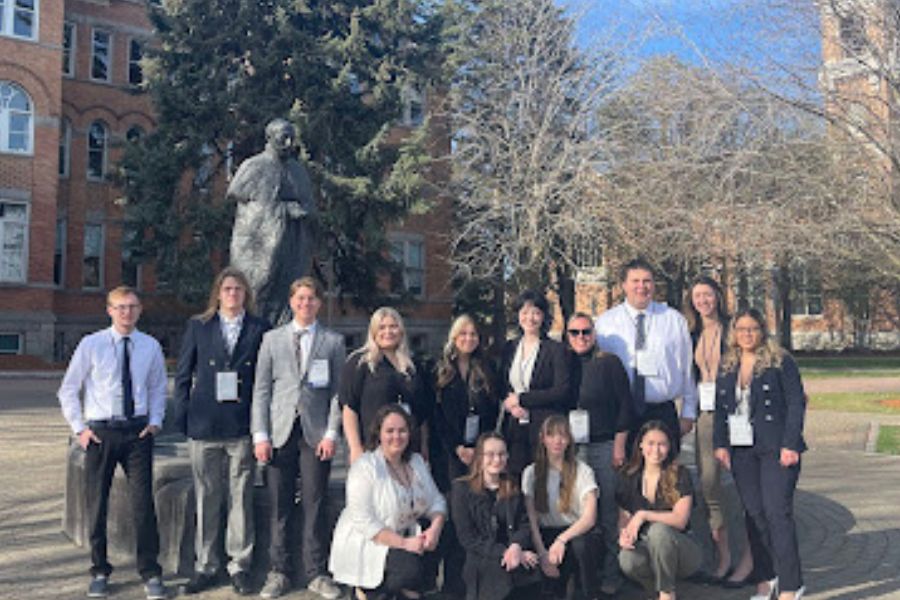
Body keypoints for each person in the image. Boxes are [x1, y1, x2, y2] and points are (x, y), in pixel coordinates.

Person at [57, 286, 168, 600]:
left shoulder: (150, 346)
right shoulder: (91, 345)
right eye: (120, 307)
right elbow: (68, 389)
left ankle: (150, 571)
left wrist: (156, 421)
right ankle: (100, 570)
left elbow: (159, 387)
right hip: (101, 433)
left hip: (137, 434)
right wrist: (80, 429)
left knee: (143, 504)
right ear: (109, 310)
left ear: (140, 309)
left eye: (132, 307)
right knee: (97, 505)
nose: (126, 313)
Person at [174, 267, 271, 595]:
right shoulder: (198, 326)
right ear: (218, 293)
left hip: (241, 423)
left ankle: (239, 565)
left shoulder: (260, 328)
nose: (232, 294)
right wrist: (183, 419)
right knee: (207, 495)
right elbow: (183, 375)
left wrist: (261, 427)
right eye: (227, 289)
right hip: (204, 423)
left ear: (246, 295)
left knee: (240, 496)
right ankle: (206, 565)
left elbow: (264, 380)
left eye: (239, 289)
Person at [251, 277, 346, 599]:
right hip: (278, 434)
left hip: (316, 435)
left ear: (320, 303)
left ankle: (316, 572)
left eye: (312, 299)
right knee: (278, 505)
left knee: (314, 504)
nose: (306, 304)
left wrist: (332, 433)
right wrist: (260, 435)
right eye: (301, 298)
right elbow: (261, 391)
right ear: (292, 302)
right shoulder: (271, 340)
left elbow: (337, 393)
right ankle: (278, 571)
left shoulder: (332, 342)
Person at [714, 308, 807, 600]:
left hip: (777, 448)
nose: (747, 334)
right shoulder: (728, 364)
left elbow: (795, 404)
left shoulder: (781, 362)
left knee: (777, 514)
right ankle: (766, 577)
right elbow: (720, 409)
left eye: (752, 328)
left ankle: (791, 585)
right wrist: (720, 444)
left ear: (762, 330)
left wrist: (790, 444)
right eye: (741, 329)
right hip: (743, 451)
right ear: (734, 333)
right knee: (754, 515)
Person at [329, 404, 446, 600]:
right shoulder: (365, 467)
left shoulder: (416, 462)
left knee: (443, 539)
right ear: (379, 434)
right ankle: (369, 591)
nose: (396, 436)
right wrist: (404, 544)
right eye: (390, 431)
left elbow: (437, 501)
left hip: (405, 535)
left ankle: (404, 591)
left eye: (402, 431)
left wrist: (435, 529)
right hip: (369, 541)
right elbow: (364, 522)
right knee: (411, 569)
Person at [684, 277, 753, 586]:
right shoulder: (692, 332)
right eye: (697, 296)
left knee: (743, 487)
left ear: (717, 297)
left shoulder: (734, 328)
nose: (703, 301)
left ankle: (750, 560)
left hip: (737, 414)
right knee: (709, 485)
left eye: (708, 295)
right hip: (706, 417)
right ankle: (723, 557)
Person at [594, 258, 698, 457]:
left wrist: (688, 412)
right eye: (635, 281)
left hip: (663, 411)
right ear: (624, 285)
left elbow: (686, 368)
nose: (641, 287)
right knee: (627, 477)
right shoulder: (606, 323)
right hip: (623, 414)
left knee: (666, 479)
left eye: (647, 281)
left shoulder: (673, 320)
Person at [565, 311, 632, 596]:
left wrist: (619, 445)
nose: (581, 338)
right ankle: (581, 575)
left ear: (594, 334)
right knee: (577, 512)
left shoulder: (609, 364)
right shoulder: (562, 364)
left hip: (604, 445)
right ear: (566, 335)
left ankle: (612, 572)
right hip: (571, 448)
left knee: (606, 513)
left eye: (586, 332)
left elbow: (625, 406)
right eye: (575, 332)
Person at [431, 315, 499, 596]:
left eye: (473, 334)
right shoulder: (439, 370)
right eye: (463, 334)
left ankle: (470, 583)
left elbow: (492, 412)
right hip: (449, 454)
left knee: (472, 515)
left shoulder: (485, 368)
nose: (468, 339)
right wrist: (457, 447)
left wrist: (479, 449)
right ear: (454, 337)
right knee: (451, 515)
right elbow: (436, 417)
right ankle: (448, 584)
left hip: (478, 454)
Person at [227, 118, 317, 325]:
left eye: (291, 138)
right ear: (269, 138)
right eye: (283, 137)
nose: (288, 143)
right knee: (257, 290)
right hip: (261, 246)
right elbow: (238, 194)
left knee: (289, 294)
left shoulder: (298, 171)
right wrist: (284, 209)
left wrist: (302, 212)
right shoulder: (255, 165)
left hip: (293, 245)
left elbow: (309, 206)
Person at [616, 421, 702, 600]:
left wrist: (643, 515)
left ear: (670, 447)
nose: (656, 450)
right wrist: (623, 536)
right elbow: (624, 519)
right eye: (651, 443)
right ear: (640, 445)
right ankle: (655, 590)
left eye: (662, 444)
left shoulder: (680, 473)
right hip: (646, 546)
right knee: (627, 559)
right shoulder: (629, 476)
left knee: (659, 530)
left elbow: (680, 520)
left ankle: (667, 593)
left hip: (682, 549)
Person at [451, 433, 541, 600]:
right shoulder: (461, 489)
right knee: (501, 576)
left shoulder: (512, 486)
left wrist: (516, 546)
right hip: (482, 557)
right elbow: (467, 538)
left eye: (501, 454)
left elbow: (524, 524)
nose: (497, 459)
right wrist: (506, 552)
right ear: (479, 457)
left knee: (533, 569)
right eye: (490, 454)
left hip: (513, 554)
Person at [523, 415, 601, 600]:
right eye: (551, 435)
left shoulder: (583, 471)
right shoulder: (531, 473)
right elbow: (531, 519)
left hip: (574, 534)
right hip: (544, 536)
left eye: (563, 435)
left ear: (569, 440)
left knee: (582, 546)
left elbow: (590, 518)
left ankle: (589, 593)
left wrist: (562, 540)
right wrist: (542, 553)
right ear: (542, 438)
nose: (557, 440)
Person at [499, 290, 573, 477]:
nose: (529, 318)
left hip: (544, 426)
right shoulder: (510, 347)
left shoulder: (555, 350)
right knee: (515, 479)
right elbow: (503, 384)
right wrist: (511, 405)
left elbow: (561, 390)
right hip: (514, 427)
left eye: (535, 312)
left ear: (543, 316)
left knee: (542, 480)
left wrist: (523, 399)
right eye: (524, 312)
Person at [341, 307, 428, 465]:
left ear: (401, 331)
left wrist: (424, 447)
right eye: (382, 327)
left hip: (408, 450)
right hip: (372, 448)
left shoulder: (413, 366)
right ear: (373, 332)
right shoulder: (359, 363)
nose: (388, 332)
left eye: (393, 326)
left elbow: (421, 412)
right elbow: (349, 408)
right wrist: (354, 447)